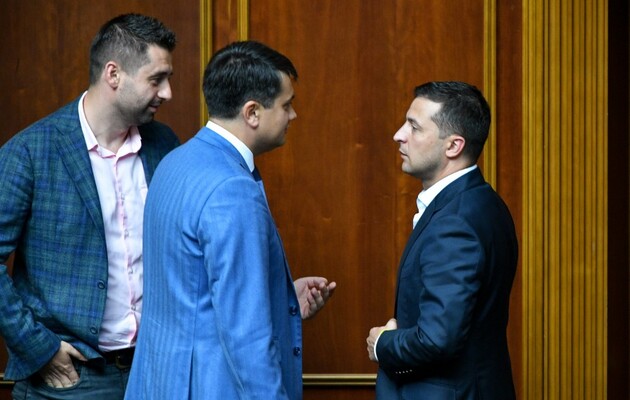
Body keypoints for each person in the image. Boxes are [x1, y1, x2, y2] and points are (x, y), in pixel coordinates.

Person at [124, 40, 336, 400]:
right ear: (252, 112)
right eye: (286, 105)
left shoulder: (175, 161)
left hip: (158, 384)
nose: (293, 116)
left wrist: (279, 295)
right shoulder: (232, 189)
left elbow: (189, 287)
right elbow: (247, 336)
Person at [0, 14, 179, 399]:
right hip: (70, 380)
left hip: (155, 370)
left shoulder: (164, 145)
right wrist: (38, 348)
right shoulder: (31, 152)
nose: (167, 93)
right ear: (114, 74)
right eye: (156, 79)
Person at [366, 81, 518, 399]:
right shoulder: (482, 202)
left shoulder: (456, 222)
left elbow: (436, 339)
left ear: (453, 146)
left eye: (414, 127)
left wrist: (382, 343)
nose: (399, 135)